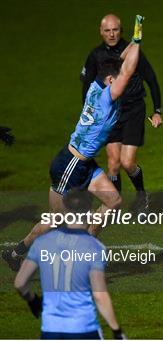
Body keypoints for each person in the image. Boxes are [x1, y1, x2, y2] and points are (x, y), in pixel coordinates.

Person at [2, 15, 144, 272]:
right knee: (58, 223)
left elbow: (122, 66)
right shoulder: (105, 100)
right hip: (69, 165)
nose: (124, 85)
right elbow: (127, 70)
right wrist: (136, 38)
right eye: (119, 81)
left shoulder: (95, 86)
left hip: (85, 164)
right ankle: (17, 251)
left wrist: (132, 45)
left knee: (113, 202)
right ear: (110, 81)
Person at [14, 189, 126, 339]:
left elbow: (20, 283)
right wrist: (116, 331)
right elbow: (100, 296)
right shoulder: (94, 247)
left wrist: (33, 301)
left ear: (65, 210)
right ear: (89, 211)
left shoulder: (42, 243)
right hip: (84, 328)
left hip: (50, 330)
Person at [81, 14, 163, 213]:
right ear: (101, 32)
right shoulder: (95, 56)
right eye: (107, 30)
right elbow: (87, 87)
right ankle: (114, 205)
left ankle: (142, 196)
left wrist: (157, 111)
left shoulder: (134, 52)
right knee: (113, 164)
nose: (111, 34)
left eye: (115, 30)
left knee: (127, 162)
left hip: (133, 110)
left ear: (121, 30)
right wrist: (89, 114)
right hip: (109, 113)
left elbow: (151, 79)